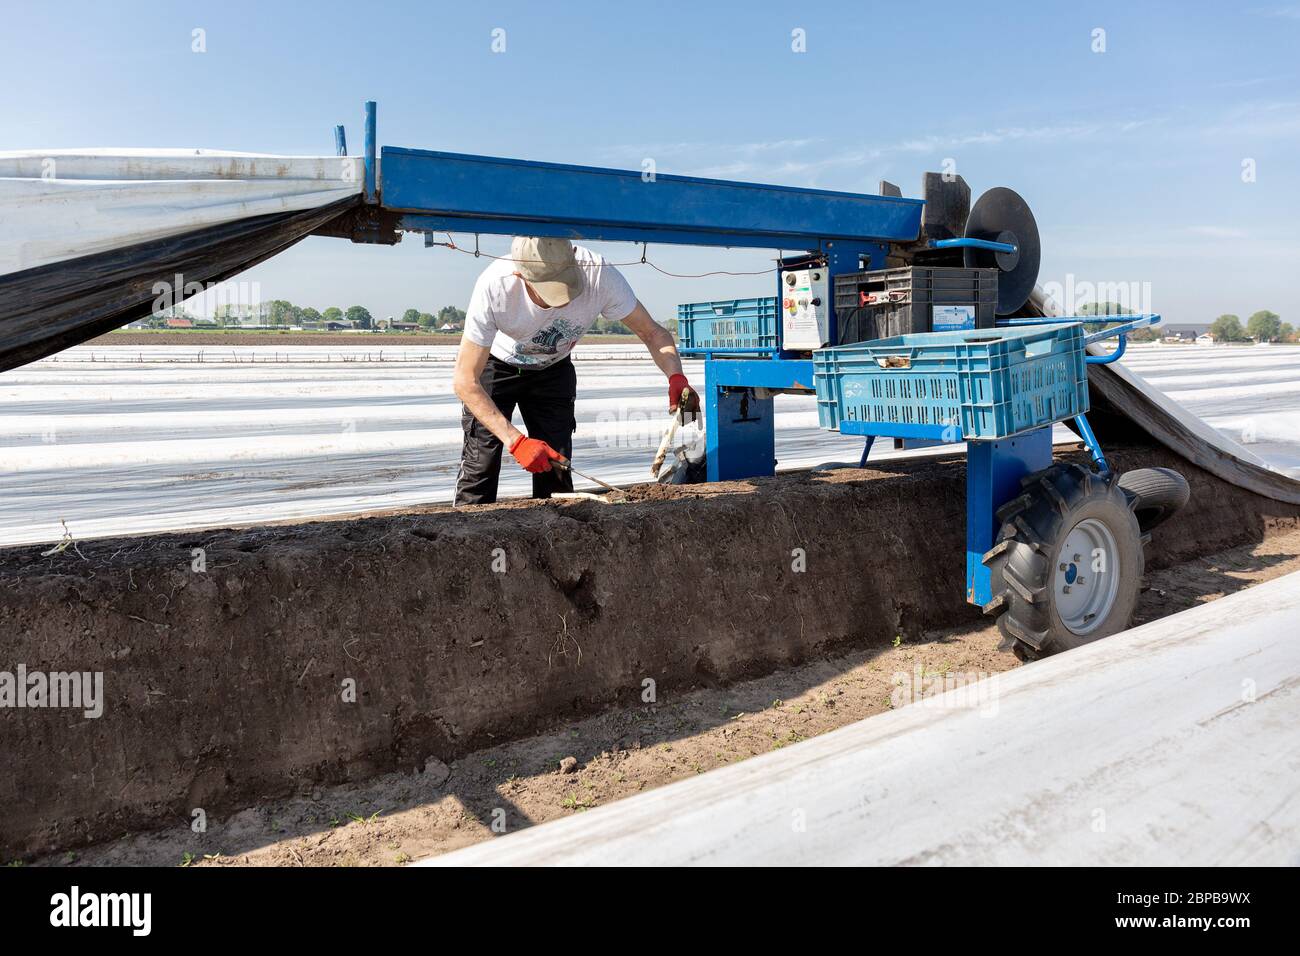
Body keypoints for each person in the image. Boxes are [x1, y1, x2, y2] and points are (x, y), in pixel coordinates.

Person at [452, 236, 697, 505]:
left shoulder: (600, 276)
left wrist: (676, 375)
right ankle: (467, 538)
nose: (562, 302)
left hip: (553, 370)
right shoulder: (494, 286)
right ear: (521, 276)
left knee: (556, 469)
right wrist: (517, 441)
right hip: (497, 367)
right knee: (481, 466)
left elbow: (653, 333)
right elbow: (465, 381)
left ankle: (556, 540)